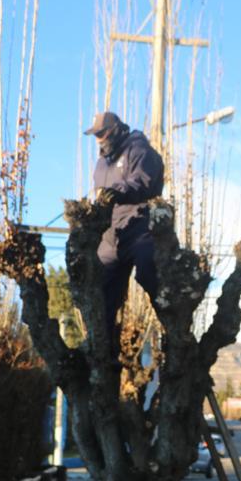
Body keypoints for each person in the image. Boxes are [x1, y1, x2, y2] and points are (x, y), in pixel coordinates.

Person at [84, 111, 164, 358]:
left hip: (138, 224)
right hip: (111, 233)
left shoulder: (139, 150)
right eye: (95, 135)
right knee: (100, 290)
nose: (98, 140)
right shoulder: (101, 164)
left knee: (150, 271)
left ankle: (171, 323)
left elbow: (143, 182)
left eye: (101, 134)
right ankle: (102, 350)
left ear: (115, 130)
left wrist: (118, 192)